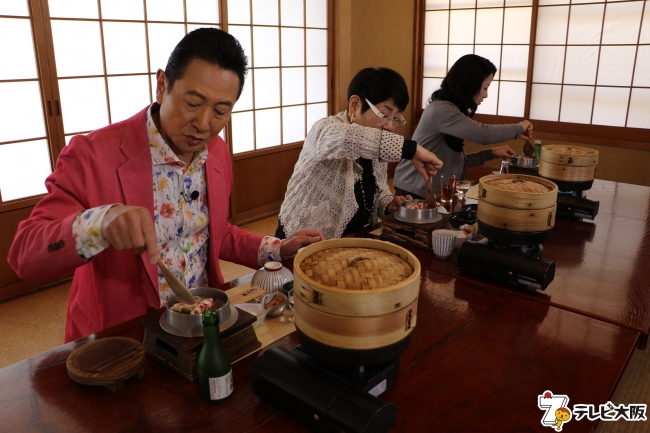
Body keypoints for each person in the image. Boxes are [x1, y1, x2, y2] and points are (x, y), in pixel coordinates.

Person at [8, 28, 323, 343]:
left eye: (220, 111)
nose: (203, 124)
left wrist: (277, 248)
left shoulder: (216, 152)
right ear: (162, 85)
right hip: (122, 334)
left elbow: (214, 232)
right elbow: (24, 254)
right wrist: (98, 224)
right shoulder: (92, 155)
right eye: (193, 102)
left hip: (200, 319)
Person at [276, 67, 443, 240]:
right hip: (300, 242)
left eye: (395, 118)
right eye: (384, 114)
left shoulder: (377, 144)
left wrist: (387, 205)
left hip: (350, 242)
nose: (390, 126)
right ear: (355, 105)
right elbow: (347, 139)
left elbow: (376, 189)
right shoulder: (324, 129)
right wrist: (411, 149)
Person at [393, 54, 533, 200]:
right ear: (470, 85)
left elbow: (455, 162)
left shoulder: (453, 111)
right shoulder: (442, 110)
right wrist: (519, 128)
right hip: (414, 189)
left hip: (429, 190)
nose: (485, 95)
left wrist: (492, 153)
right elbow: (481, 134)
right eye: (485, 88)